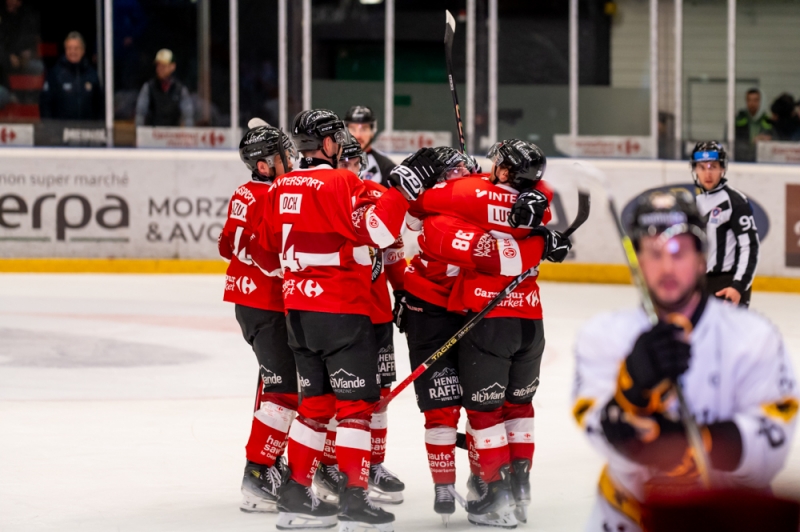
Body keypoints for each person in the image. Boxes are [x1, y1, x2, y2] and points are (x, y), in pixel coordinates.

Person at [256, 108, 444, 531]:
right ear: (325, 144)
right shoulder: (342, 181)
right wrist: (398, 192)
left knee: (315, 405)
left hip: (297, 312)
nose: (343, 144)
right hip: (341, 312)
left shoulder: (279, 186)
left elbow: (268, 249)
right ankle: (355, 500)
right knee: (356, 408)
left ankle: (295, 496)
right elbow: (378, 231)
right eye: (337, 137)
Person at [572, 189, 797, 532]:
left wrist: (693, 445)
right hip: (627, 518)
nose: (667, 267)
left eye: (679, 251)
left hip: (725, 518)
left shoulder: (754, 336)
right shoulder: (603, 336)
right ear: (638, 262)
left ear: (701, 258)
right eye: (654, 252)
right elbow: (598, 430)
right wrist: (631, 388)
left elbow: (771, 445)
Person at [405, 140, 570, 527]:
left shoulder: (464, 195)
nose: (488, 166)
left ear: (506, 171)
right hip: (531, 321)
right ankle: (519, 486)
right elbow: (541, 196)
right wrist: (544, 238)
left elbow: (422, 207)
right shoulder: (537, 201)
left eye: (497, 163)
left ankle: (496, 493)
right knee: (519, 408)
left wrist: (416, 182)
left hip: (489, 320)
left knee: (485, 412)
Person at [312, 132, 407, 506]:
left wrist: (404, 292)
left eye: (357, 163)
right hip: (340, 313)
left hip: (377, 312)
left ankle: (372, 464)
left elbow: (393, 249)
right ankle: (330, 466)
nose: (352, 169)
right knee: (340, 396)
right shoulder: (324, 199)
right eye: (345, 162)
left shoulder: (377, 197)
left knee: (379, 395)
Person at [393, 146, 478, 524]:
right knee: (442, 405)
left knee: (481, 404)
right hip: (431, 310)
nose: (461, 174)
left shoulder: (477, 196)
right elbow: (405, 226)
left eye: (464, 169)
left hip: (467, 309)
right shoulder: (425, 205)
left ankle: (479, 479)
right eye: (453, 170)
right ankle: (445, 486)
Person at [218, 122, 298, 513]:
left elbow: (227, 244)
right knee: (285, 393)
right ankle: (258, 472)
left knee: (273, 386)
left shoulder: (247, 191)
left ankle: (271, 461)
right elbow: (259, 253)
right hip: (266, 304)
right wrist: (293, 268)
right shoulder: (269, 195)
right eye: (283, 155)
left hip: (253, 302)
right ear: (264, 165)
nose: (291, 160)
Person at [691, 141, 759, 307]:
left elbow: (750, 246)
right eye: (702, 167)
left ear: (722, 169)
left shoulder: (735, 202)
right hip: (701, 286)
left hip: (727, 286)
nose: (707, 173)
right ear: (695, 170)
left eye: (713, 167)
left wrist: (739, 286)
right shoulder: (695, 203)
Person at [40, 32, 104, 121]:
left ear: (83, 50)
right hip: (61, 128)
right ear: (65, 50)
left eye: (76, 48)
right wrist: (50, 127)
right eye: (69, 48)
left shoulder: (91, 74)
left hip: (87, 128)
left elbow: (99, 105)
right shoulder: (55, 74)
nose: (73, 52)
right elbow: (45, 105)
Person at [135, 48, 194, 127]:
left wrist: (188, 132)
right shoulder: (149, 87)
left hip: (173, 133)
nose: (159, 69)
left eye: (163, 66)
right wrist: (140, 132)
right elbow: (140, 114)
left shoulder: (180, 89)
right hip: (152, 132)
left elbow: (188, 116)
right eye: (158, 65)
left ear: (172, 66)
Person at [344, 105, 396, 187]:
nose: (358, 135)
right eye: (353, 129)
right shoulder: (334, 161)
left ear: (372, 131)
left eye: (364, 129)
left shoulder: (386, 166)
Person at [734, 88, 772, 162]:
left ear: (761, 102)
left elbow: (776, 139)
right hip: (741, 159)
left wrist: (768, 138)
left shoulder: (768, 121)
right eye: (749, 100)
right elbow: (733, 143)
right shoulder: (738, 120)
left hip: (764, 160)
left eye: (755, 100)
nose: (752, 103)